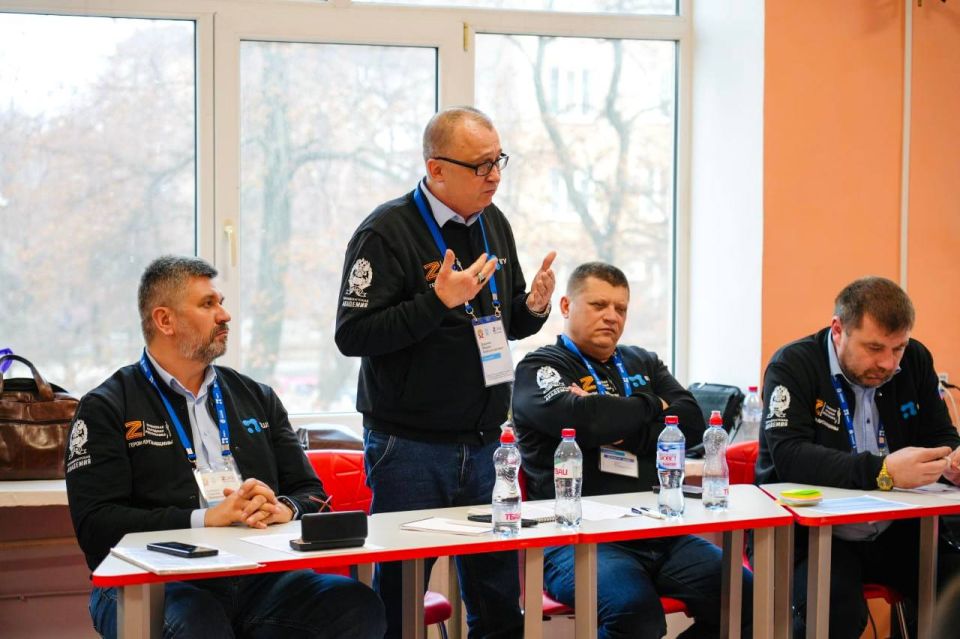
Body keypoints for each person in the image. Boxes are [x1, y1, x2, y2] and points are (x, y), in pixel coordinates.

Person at [66, 256, 385, 639]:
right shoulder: (106, 406)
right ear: (164, 320)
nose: (225, 315)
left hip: (258, 578)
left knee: (356, 606)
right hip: (149, 581)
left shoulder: (257, 397)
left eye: (221, 302)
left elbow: (312, 494)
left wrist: (283, 508)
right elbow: (97, 526)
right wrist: (204, 519)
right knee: (197, 622)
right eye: (208, 304)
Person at [336, 106, 556, 638]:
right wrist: (435, 302)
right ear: (436, 169)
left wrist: (535, 306)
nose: (494, 176)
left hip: (486, 444)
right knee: (402, 602)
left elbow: (505, 322)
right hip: (410, 448)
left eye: (498, 161)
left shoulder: (494, 222)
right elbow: (353, 334)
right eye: (480, 165)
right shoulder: (386, 231)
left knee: (497, 600)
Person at [512, 261, 754, 639]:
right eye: (599, 305)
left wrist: (618, 429)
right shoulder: (540, 367)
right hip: (575, 539)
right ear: (566, 306)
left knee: (748, 596)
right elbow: (584, 422)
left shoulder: (642, 361)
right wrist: (653, 405)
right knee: (636, 615)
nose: (612, 316)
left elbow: (691, 421)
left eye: (620, 308)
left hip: (657, 530)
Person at [755, 275, 960, 638]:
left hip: (894, 531)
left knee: (953, 594)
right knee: (838, 612)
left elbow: (941, 437)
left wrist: (952, 462)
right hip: (811, 536)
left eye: (897, 348)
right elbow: (790, 456)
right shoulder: (793, 364)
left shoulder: (915, 360)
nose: (888, 363)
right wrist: (884, 471)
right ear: (838, 330)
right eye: (874, 348)